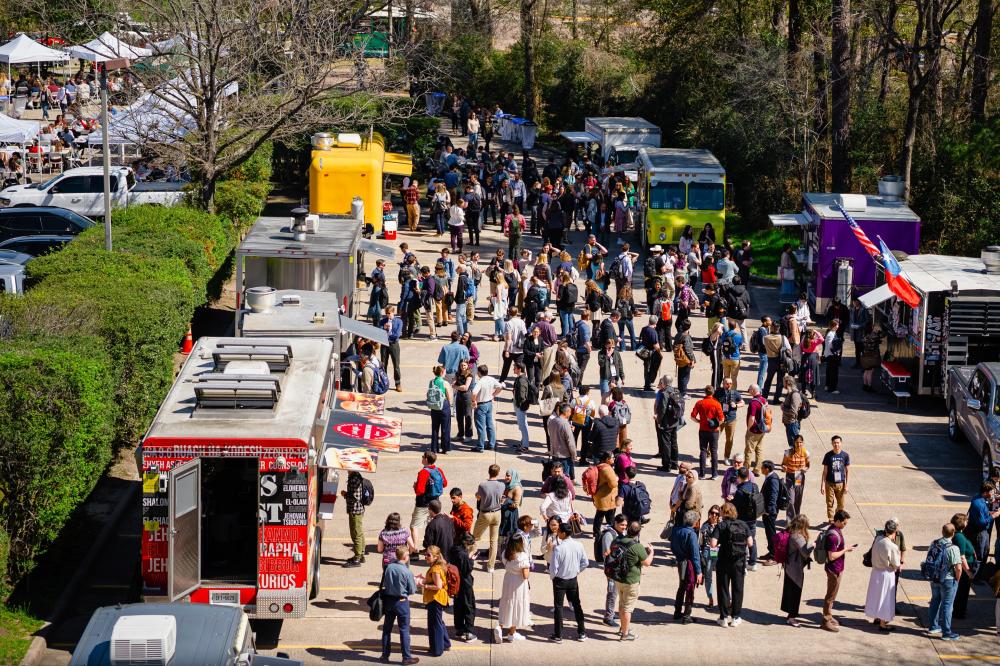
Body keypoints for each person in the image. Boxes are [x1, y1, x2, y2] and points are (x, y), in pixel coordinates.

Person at [609, 521, 654, 641]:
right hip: (631, 581)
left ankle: (623, 628)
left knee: (621, 604)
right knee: (627, 608)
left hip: (618, 578)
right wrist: (651, 552)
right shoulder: (637, 546)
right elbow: (647, 563)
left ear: (627, 529)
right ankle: (625, 634)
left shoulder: (617, 540)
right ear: (638, 532)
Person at [710, 502, 752, 627]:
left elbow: (713, 544)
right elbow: (750, 543)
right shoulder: (743, 525)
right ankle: (736, 617)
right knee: (738, 589)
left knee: (723, 588)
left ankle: (723, 617)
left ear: (724, 512)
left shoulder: (721, 526)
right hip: (739, 562)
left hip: (723, 561)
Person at [547, 521, 590, 642]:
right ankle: (582, 632)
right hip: (573, 580)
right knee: (577, 605)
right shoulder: (579, 545)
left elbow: (553, 568)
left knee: (558, 607)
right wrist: (577, 571)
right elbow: (585, 563)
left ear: (563, 533)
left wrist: (553, 577)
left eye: (559, 531)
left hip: (560, 581)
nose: (557, 533)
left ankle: (558, 635)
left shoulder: (559, 549)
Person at [379, 546, 420, 665]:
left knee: (387, 629)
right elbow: (412, 590)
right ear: (405, 557)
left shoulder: (389, 567)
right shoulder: (407, 571)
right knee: (404, 630)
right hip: (402, 602)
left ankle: (384, 655)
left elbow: (385, 582)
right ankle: (406, 657)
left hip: (389, 601)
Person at [927, 523, 963, 641]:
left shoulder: (934, 543)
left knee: (935, 600)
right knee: (947, 605)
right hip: (948, 579)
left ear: (942, 532)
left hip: (934, 577)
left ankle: (933, 626)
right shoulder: (953, 548)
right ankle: (947, 632)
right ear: (953, 534)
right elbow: (958, 567)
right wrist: (957, 579)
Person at [821, 509, 855, 632]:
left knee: (833, 595)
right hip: (833, 569)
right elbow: (831, 556)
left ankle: (829, 616)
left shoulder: (835, 530)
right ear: (838, 521)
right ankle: (825, 621)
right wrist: (845, 549)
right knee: (830, 596)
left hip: (837, 568)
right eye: (844, 523)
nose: (845, 525)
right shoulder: (832, 536)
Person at [865, 519, 902, 631]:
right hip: (886, 573)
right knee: (885, 598)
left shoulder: (878, 539)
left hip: (876, 572)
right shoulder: (892, 546)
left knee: (876, 596)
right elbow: (896, 563)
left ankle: (876, 617)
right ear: (894, 531)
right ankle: (883, 623)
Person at [496, 535, 532, 643]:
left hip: (508, 580)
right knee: (517, 606)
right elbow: (526, 575)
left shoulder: (505, 554)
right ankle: (512, 633)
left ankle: (501, 627)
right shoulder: (522, 557)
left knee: (507, 604)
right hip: (518, 583)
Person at [670, 510, 703, 624]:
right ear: (694, 522)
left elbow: (672, 547)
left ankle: (677, 611)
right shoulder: (691, 534)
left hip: (680, 561)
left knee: (681, 586)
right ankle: (687, 615)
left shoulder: (676, 530)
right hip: (689, 564)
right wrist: (699, 571)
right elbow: (695, 555)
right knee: (689, 588)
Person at [781, 514, 813, 626]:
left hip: (789, 566)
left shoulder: (790, 531)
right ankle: (791, 617)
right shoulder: (797, 536)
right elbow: (805, 551)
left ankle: (790, 615)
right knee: (795, 592)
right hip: (795, 568)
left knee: (790, 590)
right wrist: (814, 544)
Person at [473, 464, 506, 571]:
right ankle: (491, 566)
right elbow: (501, 498)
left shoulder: (482, 485)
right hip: (497, 513)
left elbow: (478, 497)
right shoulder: (502, 485)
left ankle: (469, 557)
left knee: (475, 537)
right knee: (493, 541)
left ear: (489, 472)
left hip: (485, 513)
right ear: (498, 473)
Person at [421, 545, 452, 656]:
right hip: (439, 598)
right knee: (439, 622)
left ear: (435, 557)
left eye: (428, 555)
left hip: (436, 599)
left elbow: (438, 586)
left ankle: (437, 650)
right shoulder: (438, 566)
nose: (426, 556)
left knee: (435, 624)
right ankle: (445, 643)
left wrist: (425, 586)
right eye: (425, 554)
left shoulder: (435, 569)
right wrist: (423, 580)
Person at [410, 452, 447, 543]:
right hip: (435, 503)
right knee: (432, 526)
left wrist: (415, 487)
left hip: (423, 504)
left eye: (423, 457)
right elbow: (445, 484)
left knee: (414, 526)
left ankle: (415, 550)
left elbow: (420, 491)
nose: (422, 458)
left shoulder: (424, 472)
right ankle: (431, 548)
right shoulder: (438, 470)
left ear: (426, 459)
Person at [966, 482, 1000, 577]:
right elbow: (982, 522)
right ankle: (975, 577)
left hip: (983, 532)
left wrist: (990, 512)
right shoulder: (979, 504)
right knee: (980, 555)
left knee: (985, 552)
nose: (993, 494)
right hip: (979, 533)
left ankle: (979, 575)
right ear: (985, 493)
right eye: (992, 492)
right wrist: (994, 515)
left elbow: (983, 514)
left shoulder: (980, 498)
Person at [600, 514, 628, 626]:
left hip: (618, 568)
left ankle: (611, 612)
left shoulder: (620, 533)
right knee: (612, 592)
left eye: (625, 525)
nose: (624, 527)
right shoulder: (609, 535)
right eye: (622, 525)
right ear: (615, 523)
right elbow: (607, 554)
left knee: (616, 592)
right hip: (611, 568)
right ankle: (608, 617)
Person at [691, 385, 724, 479]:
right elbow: (721, 419)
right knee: (714, 451)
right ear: (713, 392)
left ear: (705, 392)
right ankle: (714, 474)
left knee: (703, 450)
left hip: (703, 430)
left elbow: (692, 416)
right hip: (714, 431)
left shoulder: (700, 403)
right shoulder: (717, 403)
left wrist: (699, 421)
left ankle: (702, 474)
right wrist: (716, 425)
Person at [450, 533, 478, 642]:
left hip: (456, 583)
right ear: (466, 543)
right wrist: (471, 559)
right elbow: (467, 569)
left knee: (458, 606)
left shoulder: (454, 550)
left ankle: (459, 629)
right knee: (469, 606)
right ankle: (469, 632)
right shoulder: (463, 555)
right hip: (465, 583)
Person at [732, 467, 761, 571]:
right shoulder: (755, 486)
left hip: (742, 521)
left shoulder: (739, 491)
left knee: (742, 543)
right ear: (748, 475)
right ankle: (753, 563)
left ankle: (742, 564)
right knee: (752, 540)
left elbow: (734, 506)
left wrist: (731, 500)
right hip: (753, 519)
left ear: (739, 477)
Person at [591, 450, 619, 559]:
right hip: (607, 498)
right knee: (609, 515)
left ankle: (596, 531)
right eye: (612, 458)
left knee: (600, 514)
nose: (613, 459)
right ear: (607, 459)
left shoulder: (599, 466)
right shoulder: (607, 469)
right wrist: (616, 478)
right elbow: (613, 484)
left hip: (600, 496)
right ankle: (610, 532)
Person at [654, 374, 682, 472]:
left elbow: (662, 409)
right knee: (674, 442)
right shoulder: (675, 391)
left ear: (664, 382)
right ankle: (674, 463)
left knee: (666, 443)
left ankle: (666, 465)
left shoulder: (664, 393)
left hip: (667, 422)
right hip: (675, 421)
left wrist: (658, 420)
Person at [472, 364, 503, 452]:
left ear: (479, 372)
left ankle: (480, 446)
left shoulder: (480, 381)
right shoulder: (491, 379)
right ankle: (491, 444)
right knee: (490, 425)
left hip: (481, 405)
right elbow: (500, 387)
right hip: (489, 404)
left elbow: (474, 393)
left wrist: (473, 401)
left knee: (481, 427)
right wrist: (494, 395)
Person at [821, 435, 851, 525]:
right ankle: (831, 520)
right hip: (829, 483)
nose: (836, 444)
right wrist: (822, 485)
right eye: (834, 443)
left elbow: (847, 471)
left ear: (841, 443)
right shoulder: (828, 455)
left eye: (838, 443)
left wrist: (847, 485)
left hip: (841, 483)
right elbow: (825, 471)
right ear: (832, 443)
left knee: (841, 504)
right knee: (829, 503)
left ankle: (837, 517)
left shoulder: (845, 455)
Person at [951, 513, 976, 619]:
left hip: (964, 568)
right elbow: (961, 556)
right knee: (962, 591)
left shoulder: (959, 534)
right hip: (964, 569)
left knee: (962, 591)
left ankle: (959, 611)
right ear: (962, 523)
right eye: (966, 520)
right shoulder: (959, 537)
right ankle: (959, 612)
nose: (967, 522)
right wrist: (968, 571)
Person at [714, 377, 744, 464]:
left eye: (731, 383)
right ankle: (709, 456)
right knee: (714, 438)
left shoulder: (735, 393)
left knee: (729, 440)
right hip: (720, 419)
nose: (729, 385)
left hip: (731, 419)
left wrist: (736, 405)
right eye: (727, 383)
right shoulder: (718, 392)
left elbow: (742, 403)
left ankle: (726, 457)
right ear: (723, 384)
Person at [340, 471, 367, 567]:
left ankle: (357, 558)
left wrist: (345, 494)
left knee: (356, 534)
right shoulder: (356, 476)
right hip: (358, 509)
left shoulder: (354, 479)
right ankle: (361, 554)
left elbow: (356, 497)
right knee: (359, 532)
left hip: (355, 510)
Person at [743, 384, 768, 474]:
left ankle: (745, 470)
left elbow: (752, 418)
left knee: (749, 450)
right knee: (759, 449)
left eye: (749, 389)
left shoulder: (753, 403)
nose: (748, 390)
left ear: (753, 390)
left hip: (754, 430)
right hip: (762, 429)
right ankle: (757, 469)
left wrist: (749, 428)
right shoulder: (764, 400)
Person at [427, 365, 453, 454]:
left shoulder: (431, 382)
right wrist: (450, 406)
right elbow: (449, 396)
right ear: (442, 372)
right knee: (445, 427)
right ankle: (445, 447)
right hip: (443, 405)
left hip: (434, 406)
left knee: (435, 427)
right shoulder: (445, 383)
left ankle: (434, 448)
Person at [548, 403, 577, 480]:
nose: (570, 414)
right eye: (570, 412)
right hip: (564, 456)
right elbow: (570, 442)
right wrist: (574, 455)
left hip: (554, 453)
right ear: (566, 412)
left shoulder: (552, 421)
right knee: (564, 478)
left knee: (555, 476)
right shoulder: (565, 424)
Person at [379, 307, 403, 391]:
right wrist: (384, 329)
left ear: (393, 313)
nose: (388, 315)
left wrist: (387, 335)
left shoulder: (399, 322)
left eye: (389, 313)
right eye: (387, 313)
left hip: (394, 345)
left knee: (396, 365)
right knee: (383, 364)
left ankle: (398, 383)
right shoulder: (382, 321)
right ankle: (384, 382)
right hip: (384, 344)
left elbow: (397, 335)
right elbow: (379, 332)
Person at [511, 362, 532, 452]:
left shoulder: (521, 380)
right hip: (520, 406)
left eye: (515, 368)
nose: (513, 369)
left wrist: (519, 404)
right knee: (523, 425)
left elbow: (522, 396)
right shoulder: (521, 378)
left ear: (519, 369)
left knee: (523, 426)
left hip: (521, 406)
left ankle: (525, 446)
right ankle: (523, 442)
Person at [639, 315, 662, 391]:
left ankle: (647, 383)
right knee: (651, 369)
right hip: (651, 353)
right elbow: (655, 345)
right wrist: (660, 353)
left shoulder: (644, 329)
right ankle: (647, 385)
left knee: (646, 368)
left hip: (644, 351)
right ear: (656, 322)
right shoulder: (653, 332)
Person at [799, 327, 823, 398]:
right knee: (813, 375)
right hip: (813, 358)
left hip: (805, 358)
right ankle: (813, 392)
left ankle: (803, 391)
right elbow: (822, 339)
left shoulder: (803, 341)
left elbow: (800, 347)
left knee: (804, 374)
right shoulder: (813, 342)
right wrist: (816, 332)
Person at [780, 375, 803, 447]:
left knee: (795, 445)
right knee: (792, 445)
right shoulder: (790, 393)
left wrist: (783, 408)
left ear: (787, 383)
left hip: (792, 424)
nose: (783, 384)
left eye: (784, 382)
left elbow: (793, 411)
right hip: (789, 423)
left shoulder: (795, 395)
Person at [720, 319, 743, 385]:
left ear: (729, 326)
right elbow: (740, 345)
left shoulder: (724, 334)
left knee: (726, 377)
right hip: (735, 358)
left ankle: (725, 391)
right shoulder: (739, 336)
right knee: (734, 378)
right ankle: (733, 392)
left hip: (725, 357)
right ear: (735, 326)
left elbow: (721, 342)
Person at [823, 319, 843, 393]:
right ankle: (832, 388)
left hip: (829, 355)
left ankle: (827, 385)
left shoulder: (831, 333)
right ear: (834, 326)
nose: (838, 326)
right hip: (832, 356)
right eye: (837, 325)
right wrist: (836, 351)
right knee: (833, 373)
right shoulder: (831, 334)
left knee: (829, 371)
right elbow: (830, 346)